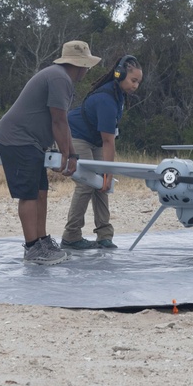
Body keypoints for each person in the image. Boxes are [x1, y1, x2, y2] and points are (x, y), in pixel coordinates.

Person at [0, 40, 101, 265]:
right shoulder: (59, 78)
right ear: (80, 65)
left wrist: (72, 154)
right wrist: (68, 156)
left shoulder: (61, 78)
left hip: (32, 142)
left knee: (41, 191)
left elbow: (63, 123)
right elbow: (58, 120)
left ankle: (42, 241)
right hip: (18, 139)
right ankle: (32, 248)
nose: (87, 70)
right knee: (29, 195)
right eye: (86, 65)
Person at [60, 55, 143, 250]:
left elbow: (107, 137)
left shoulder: (118, 95)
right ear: (120, 75)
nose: (136, 86)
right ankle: (71, 236)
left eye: (139, 82)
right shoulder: (107, 99)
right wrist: (109, 171)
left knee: (102, 185)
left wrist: (106, 176)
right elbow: (108, 141)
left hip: (94, 139)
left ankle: (104, 235)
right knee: (87, 183)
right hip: (76, 135)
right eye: (133, 80)